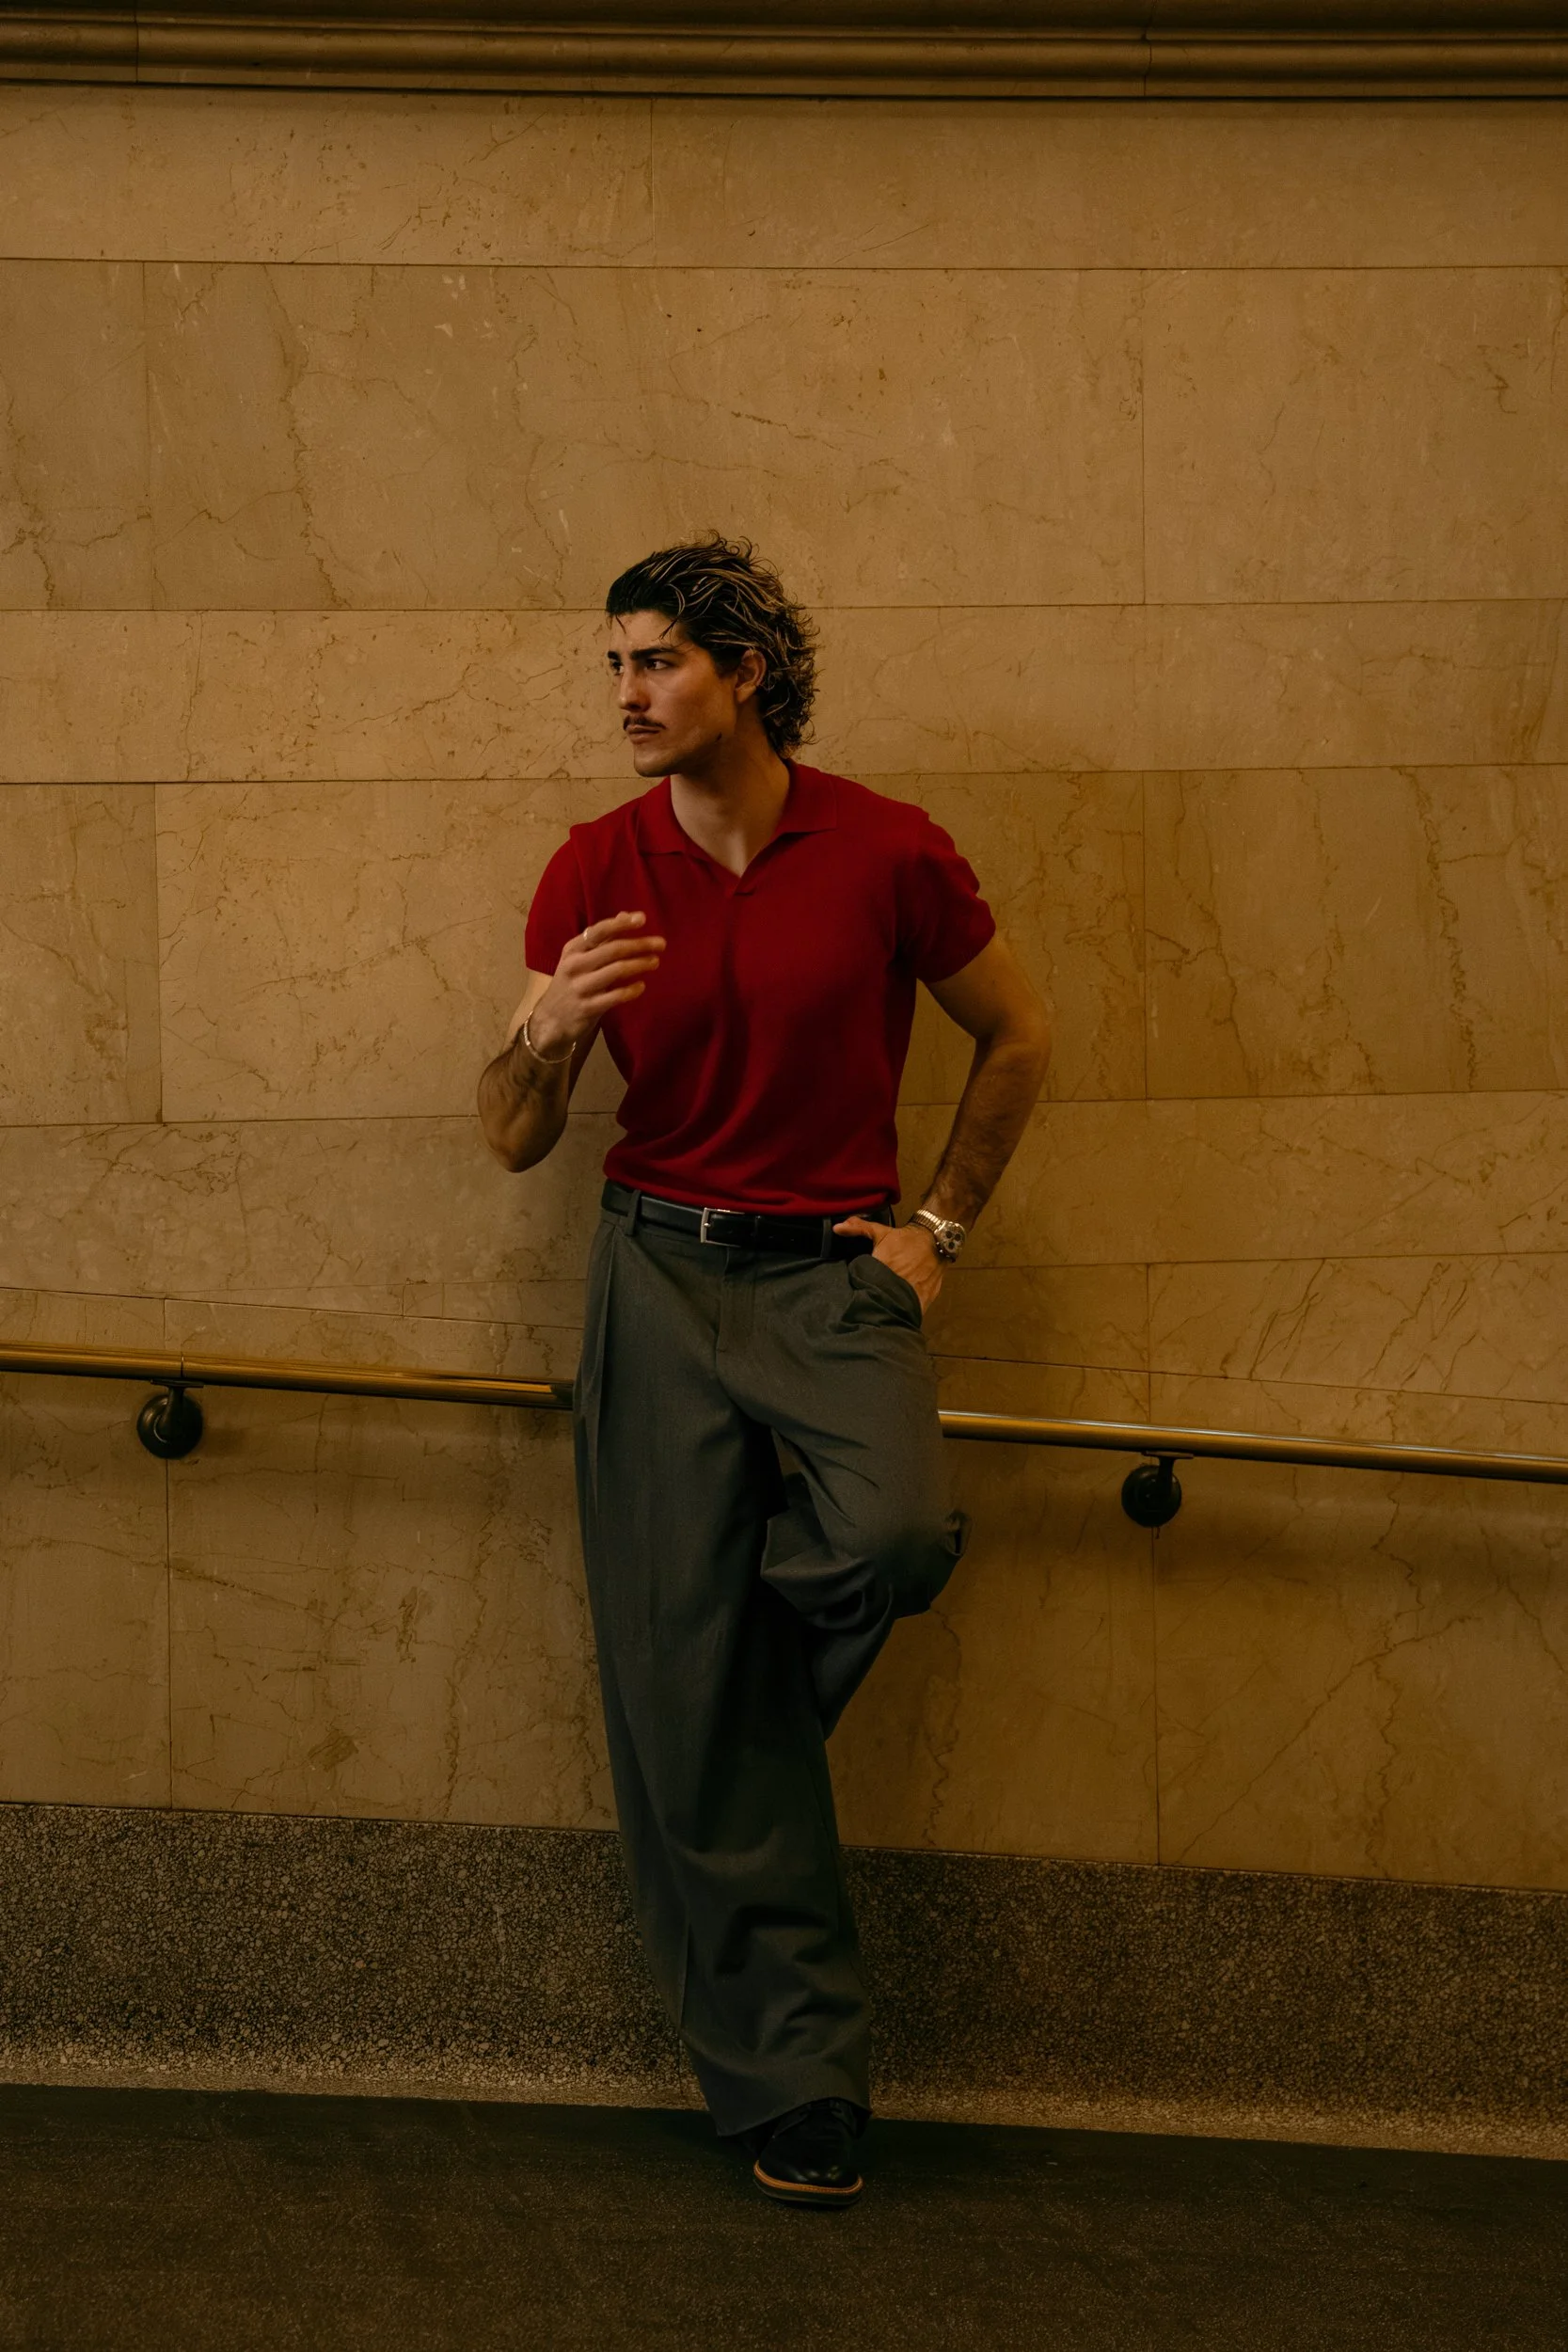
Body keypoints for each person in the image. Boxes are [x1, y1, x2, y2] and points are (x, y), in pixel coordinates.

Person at [478, 536, 1051, 2207]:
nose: (627, 696)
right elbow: (513, 1143)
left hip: (830, 1280)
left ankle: (717, 1714)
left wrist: (937, 1223)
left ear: (743, 668)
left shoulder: (883, 849)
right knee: (679, 1666)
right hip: (652, 1271)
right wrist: (543, 1037)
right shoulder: (594, 866)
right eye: (613, 666)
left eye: (654, 661)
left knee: (889, 1544)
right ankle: (796, 2081)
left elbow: (1016, 1033)